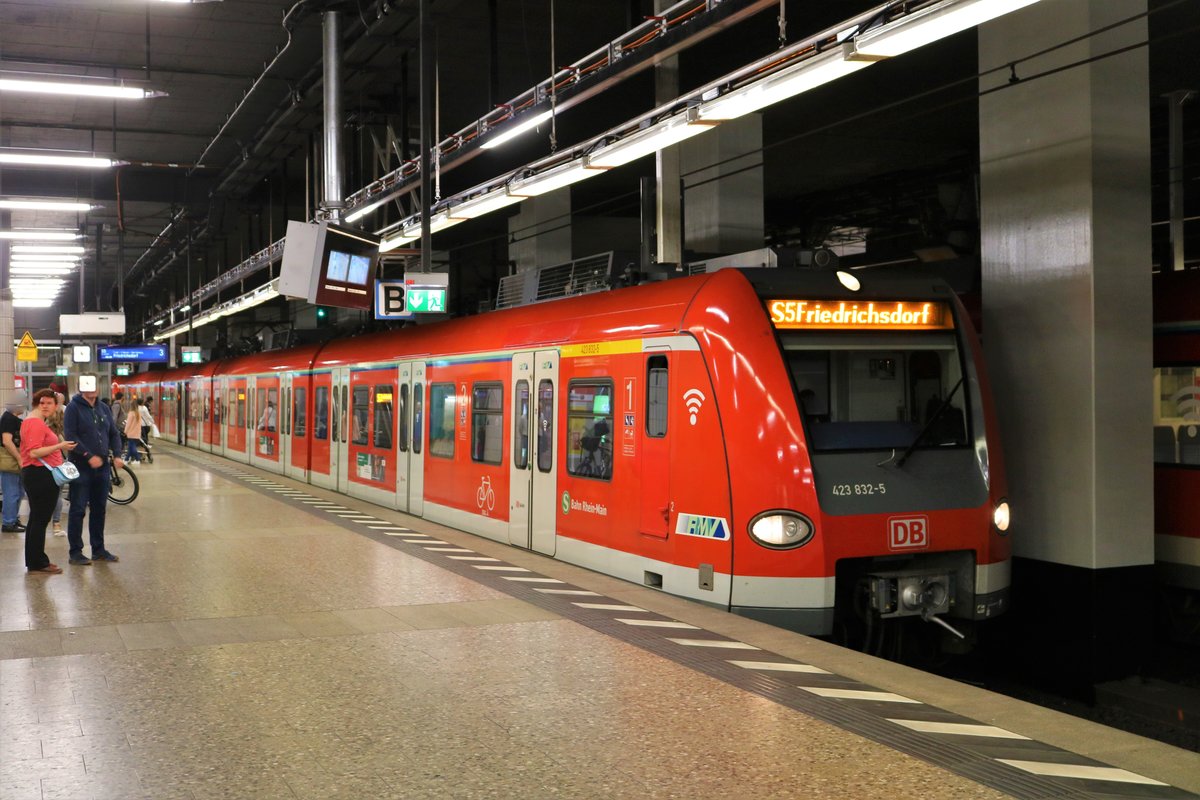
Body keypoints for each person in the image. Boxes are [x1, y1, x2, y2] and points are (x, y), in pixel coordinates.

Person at [64, 385, 125, 565]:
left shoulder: (103, 408)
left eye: (94, 385)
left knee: (99, 509)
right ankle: (75, 552)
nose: (91, 389)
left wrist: (118, 454)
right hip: (81, 465)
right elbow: (70, 436)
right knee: (78, 509)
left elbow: (113, 433)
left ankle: (98, 549)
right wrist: (88, 456)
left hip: (103, 467)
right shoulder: (73, 408)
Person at [20, 389, 76, 574]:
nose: (45, 406)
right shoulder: (35, 423)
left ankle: (35, 560)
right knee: (40, 519)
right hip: (40, 475)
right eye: (42, 402)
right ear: (37, 403)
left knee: (37, 518)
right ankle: (38, 562)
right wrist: (60, 446)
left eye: (49, 403)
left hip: (38, 475)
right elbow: (34, 452)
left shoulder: (33, 421)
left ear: (56, 405)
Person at [0, 392, 28, 533]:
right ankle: (8, 522)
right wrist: (19, 458)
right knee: (12, 492)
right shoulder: (8, 419)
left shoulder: (13, 418)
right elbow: (6, 441)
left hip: (15, 461)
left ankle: (12, 519)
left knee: (18, 492)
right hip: (10, 461)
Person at [48, 393, 67, 536]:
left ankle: (54, 523)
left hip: (48, 463)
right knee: (57, 494)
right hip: (56, 461)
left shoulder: (43, 424)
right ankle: (56, 523)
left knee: (52, 494)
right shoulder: (58, 434)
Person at [124, 398, 144, 463]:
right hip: (137, 433)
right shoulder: (138, 413)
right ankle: (126, 460)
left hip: (131, 433)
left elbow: (128, 424)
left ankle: (138, 459)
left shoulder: (131, 413)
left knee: (132, 448)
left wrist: (125, 431)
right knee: (130, 447)